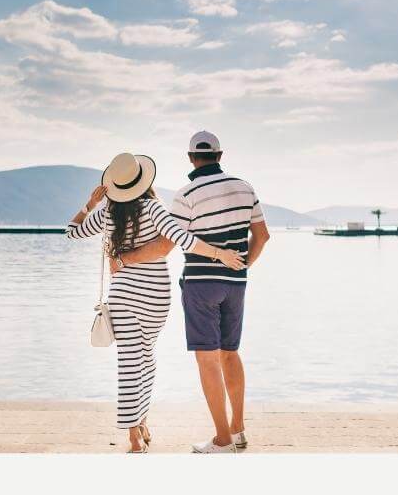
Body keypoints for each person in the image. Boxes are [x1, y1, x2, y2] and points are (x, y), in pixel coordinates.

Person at [66, 152, 245, 453]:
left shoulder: (107, 213)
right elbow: (182, 238)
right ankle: (140, 423)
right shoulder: (153, 208)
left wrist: (89, 204)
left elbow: (71, 232)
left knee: (129, 363)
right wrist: (220, 254)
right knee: (146, 359)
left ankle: (136, 432)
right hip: (154, 297)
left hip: (121, 295)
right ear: (143, 180)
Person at [113, 131, 269, 453]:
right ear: (220, 155)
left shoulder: (186, 194)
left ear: (190, 158)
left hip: (201, 284)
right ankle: (238, 430)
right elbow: (263, 236)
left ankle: (223, 439)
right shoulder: (245, 187)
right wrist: (243, 265)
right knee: (230, 353)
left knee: (207, 360)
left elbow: (166, 244)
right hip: (236, 284)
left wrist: (125, 258)